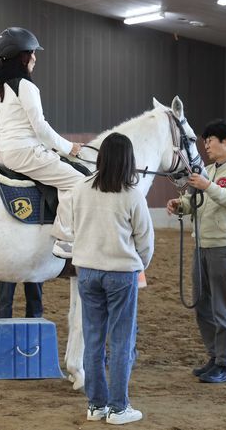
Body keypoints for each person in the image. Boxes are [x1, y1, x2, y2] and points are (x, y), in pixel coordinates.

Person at [166, 119, 226, 383]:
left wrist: (209, 186)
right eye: (205, 141)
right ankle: (214, 356)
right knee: (202, 306)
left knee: (222, 307)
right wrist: (180, 204)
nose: (206, 146)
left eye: (210, 141)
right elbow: (196, 202)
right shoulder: (206, 170)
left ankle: (224, 364)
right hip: (203, 245)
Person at [72, 132, 154, 425]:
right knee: (121, 341)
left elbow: (70, 227)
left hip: (87, 272)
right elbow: (145, 239)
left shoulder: (79, 188)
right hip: (121, 274)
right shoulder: (132, 194)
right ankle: (119, 408)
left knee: (93, 340)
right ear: (129, 160)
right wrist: (138, 263)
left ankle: (96, 405)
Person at [0, 27, 84, 258]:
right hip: (25, 152)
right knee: (77, 181)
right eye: (32, 52)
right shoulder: (26, 86)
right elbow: (41, 129)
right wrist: (68, 147)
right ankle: (65, 239)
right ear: (23, 56)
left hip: (5, 151)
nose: (35, 57)